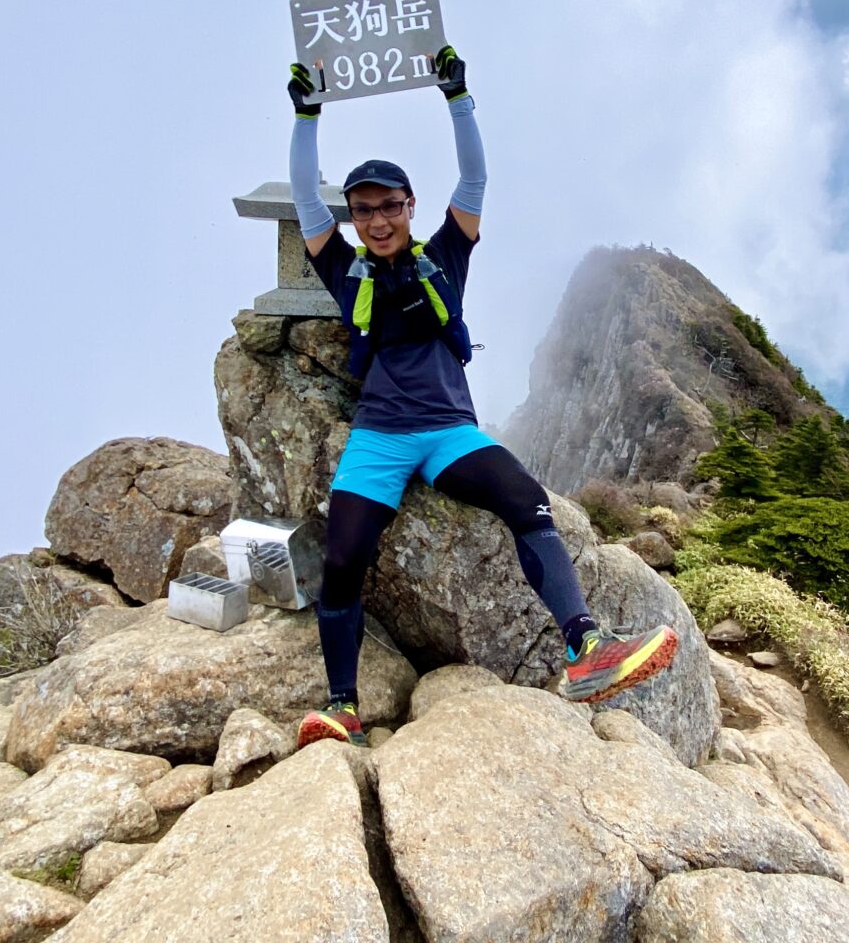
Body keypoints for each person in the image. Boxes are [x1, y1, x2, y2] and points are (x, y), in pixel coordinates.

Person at [284, 45, 679, 749]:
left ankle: (585, 648)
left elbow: (474, 177)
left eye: (390, 205)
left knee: (525, 501)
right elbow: (305, 201)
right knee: (342, 561)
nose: (378, 219)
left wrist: (457, 99)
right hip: (378, 435)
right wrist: (307, 116)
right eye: (364, 210)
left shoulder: (445, 255)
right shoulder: (344, 270)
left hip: (449, 432)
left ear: (409, 207)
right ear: (353, 218)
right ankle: (342, 706)